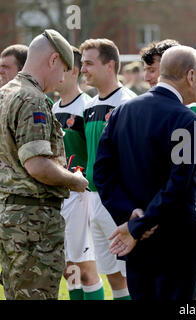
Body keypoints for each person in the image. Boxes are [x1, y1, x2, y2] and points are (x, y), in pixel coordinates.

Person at [94, 45, 196, 300]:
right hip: (175, 240)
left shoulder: (122, 111)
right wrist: (139, 224)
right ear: (190, 76)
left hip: (136, 237)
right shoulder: (190, 121)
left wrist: (131, 216)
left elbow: (102, 172)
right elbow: (178, 184)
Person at [0, 29, 89, 300]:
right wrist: (75, 180)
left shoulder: (5, 93)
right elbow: (37, 164)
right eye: (63, 69)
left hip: (9, 215)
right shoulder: (33, 99)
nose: (62, 79)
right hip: (32, 223)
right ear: (52, 60)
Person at [139, 38, 196, 300]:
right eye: (146, 70)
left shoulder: (192, 110)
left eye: (154, 69)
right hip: (158, 210)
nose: (149, 76)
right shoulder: (151, 107)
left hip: (182, 213)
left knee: (191, 286)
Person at [80, 38, 136, 300]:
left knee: (130, 271)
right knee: (111, 273)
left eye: (89, 63)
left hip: (118, 200)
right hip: (93, 199)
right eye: (82, 64)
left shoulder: (129, 104)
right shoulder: (89, 107)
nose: (83, 70)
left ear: (110, 65)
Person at [52, 46, 103, 300]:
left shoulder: (86, 108)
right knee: (68, 267)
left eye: (60, 67)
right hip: (60, 196)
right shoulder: (51, 109)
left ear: (73, 71)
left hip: (82, 196)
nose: (54, 73)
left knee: (85, 268)